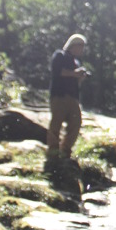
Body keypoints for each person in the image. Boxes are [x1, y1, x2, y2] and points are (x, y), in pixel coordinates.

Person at [47, 33, 89, 162]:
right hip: (59, 95)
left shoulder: (76, 62)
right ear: (73, 45)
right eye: (81, 46)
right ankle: (53, 151)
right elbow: (58, 72)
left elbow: (74, 81)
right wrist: (75, 73)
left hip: (73, 97)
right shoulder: (59, 55)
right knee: (56, 123)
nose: (82, 49)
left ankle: (65, 150)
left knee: (76, 123)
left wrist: (80, 78)